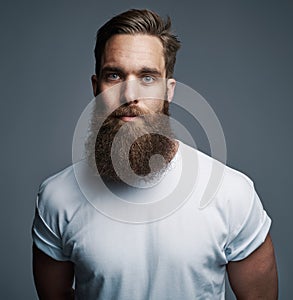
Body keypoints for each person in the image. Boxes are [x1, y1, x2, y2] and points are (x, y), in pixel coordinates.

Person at [32, 9, 278, 300]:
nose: (129, 94)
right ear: (96, 87)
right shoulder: (57, 197)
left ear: (168, 90)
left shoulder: (231, 193)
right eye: (114, 75)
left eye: (147, 77)